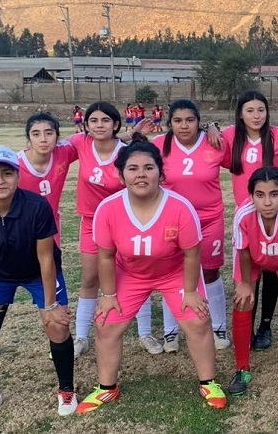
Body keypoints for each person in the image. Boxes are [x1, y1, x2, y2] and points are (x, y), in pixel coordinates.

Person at [76, 135, 226, 413]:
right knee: (106, 322)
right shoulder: (108, 209)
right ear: (121, 175)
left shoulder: (180, 207)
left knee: (197, 320)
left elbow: (192, 255)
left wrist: (191, 292)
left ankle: (209, 382)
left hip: (174, 272)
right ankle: (107, 388)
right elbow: (106, 257)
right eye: (132, 168)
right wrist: (108, 296)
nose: (141, 175)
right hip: (130, 273)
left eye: (149, 167)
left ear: (160, 172)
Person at [0, 146, 76, 421]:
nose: (0, 181)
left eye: (7, 173)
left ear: (18, 177)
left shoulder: (36, 206)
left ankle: (66, 389)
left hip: (38, 271)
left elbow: (46, 259)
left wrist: (52, 305)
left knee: (56, 324)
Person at [214, 90, 278, 351]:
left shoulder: (277, 135)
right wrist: (211, 127)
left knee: (274, 270)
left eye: (261, 110)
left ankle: (265, 326)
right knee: (247, 272)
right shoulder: (231, 135)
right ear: (240, 114)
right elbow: (207, 140)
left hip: (275, 213)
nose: (256, 115)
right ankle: (248, 327)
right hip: (248, 217)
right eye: (250, 110)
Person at [71, 101, 161, 358]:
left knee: (136, 276)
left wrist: (128, 136)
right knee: (90, 279)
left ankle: (145, 333)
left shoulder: (125, 153)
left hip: (122, 223)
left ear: (116, 124)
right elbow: (52, 145)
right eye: (94, 121)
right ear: (86, 125)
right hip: (90, 222)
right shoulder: (80, 144)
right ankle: (81, 337)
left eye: (106, 121)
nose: (100, 125)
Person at [0, 113, 79, 355]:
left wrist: (127, 134)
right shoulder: (15, 164)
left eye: (49, 133)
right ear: (28, 138)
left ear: (57, 137)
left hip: (49, 234)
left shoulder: (64, 153)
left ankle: (58, 340)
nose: (43, 139)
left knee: (53, 285)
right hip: (16, 236)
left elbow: (96, 144)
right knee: (5, 288)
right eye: (36, 134)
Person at [152, 100, 231, 352]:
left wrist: (213, 127)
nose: (184, 125)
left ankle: (218, 326)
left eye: (190, 120)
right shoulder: (158, 146)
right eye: (177, 120)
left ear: (199, 121)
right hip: (173, 221)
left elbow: (239, 162)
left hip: (209, 219)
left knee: (209, 272)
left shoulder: (214, 142)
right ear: (170, 123)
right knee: (171, 273)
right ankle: (171, 331)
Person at [228, 166, 278, 397]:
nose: (267, 202)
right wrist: (244, 284)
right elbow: (242, 251)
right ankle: (242, 367)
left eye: (274, 194)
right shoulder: (243, 214)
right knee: (243, 301)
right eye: (260, 195)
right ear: (251, 196)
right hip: (250, 258)